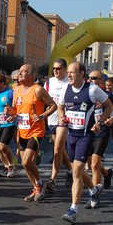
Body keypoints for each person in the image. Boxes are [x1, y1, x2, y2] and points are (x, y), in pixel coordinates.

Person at [59, 64, 112, 224]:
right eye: (67, 73)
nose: (69, 76)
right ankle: (94, 190)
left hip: (85, 136)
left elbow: (109, 106)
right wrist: (62, 117)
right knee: (79, 170)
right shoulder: (65, 90)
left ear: (81, 73)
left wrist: (100, 122)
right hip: (71, 135)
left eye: (72, 73)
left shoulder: (92, 89)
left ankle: (73, 209)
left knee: (76, 172)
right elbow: (60, 107)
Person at [5, 64, 56, 202]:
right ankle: (37, 187)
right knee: (25, 164)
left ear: (31, 75)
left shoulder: (38, 90)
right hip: (22, 131)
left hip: (36, 131)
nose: (20, 74)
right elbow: (16, 110)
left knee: (27, 161)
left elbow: (53, 106)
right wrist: (11, 113)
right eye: (19, 71)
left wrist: (42, 116)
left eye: (23, 72)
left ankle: (39, 184)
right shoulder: (16, 90)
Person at [86, 70, 113, 205]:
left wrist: (109, 123)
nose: (92, 80)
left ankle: (94, 196)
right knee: (91, 162)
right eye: (90, 78)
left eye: (95, 78)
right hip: (88, 132)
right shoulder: (85, 92)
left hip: (102, 131)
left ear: (101, 81)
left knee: (94, 165)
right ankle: (107, 173)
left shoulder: (108, 96)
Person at [44, 59, 73, 192]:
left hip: (64, 120)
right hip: (51, 119)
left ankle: (52, 179)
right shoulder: (49, 82)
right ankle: (71, 171)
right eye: (54, 68)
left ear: (65, 70)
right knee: (60, 149)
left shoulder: (70, 83)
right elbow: (43, 99)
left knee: (57, 149)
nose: (55, 70)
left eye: (58, 68)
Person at [0, 74, 17, 177]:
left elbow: (17, 107)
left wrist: (13, 114)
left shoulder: (10, 93)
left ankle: (10, 166)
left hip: (9, 123)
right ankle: (7, 167)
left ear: (2, 83)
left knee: (2, 146)